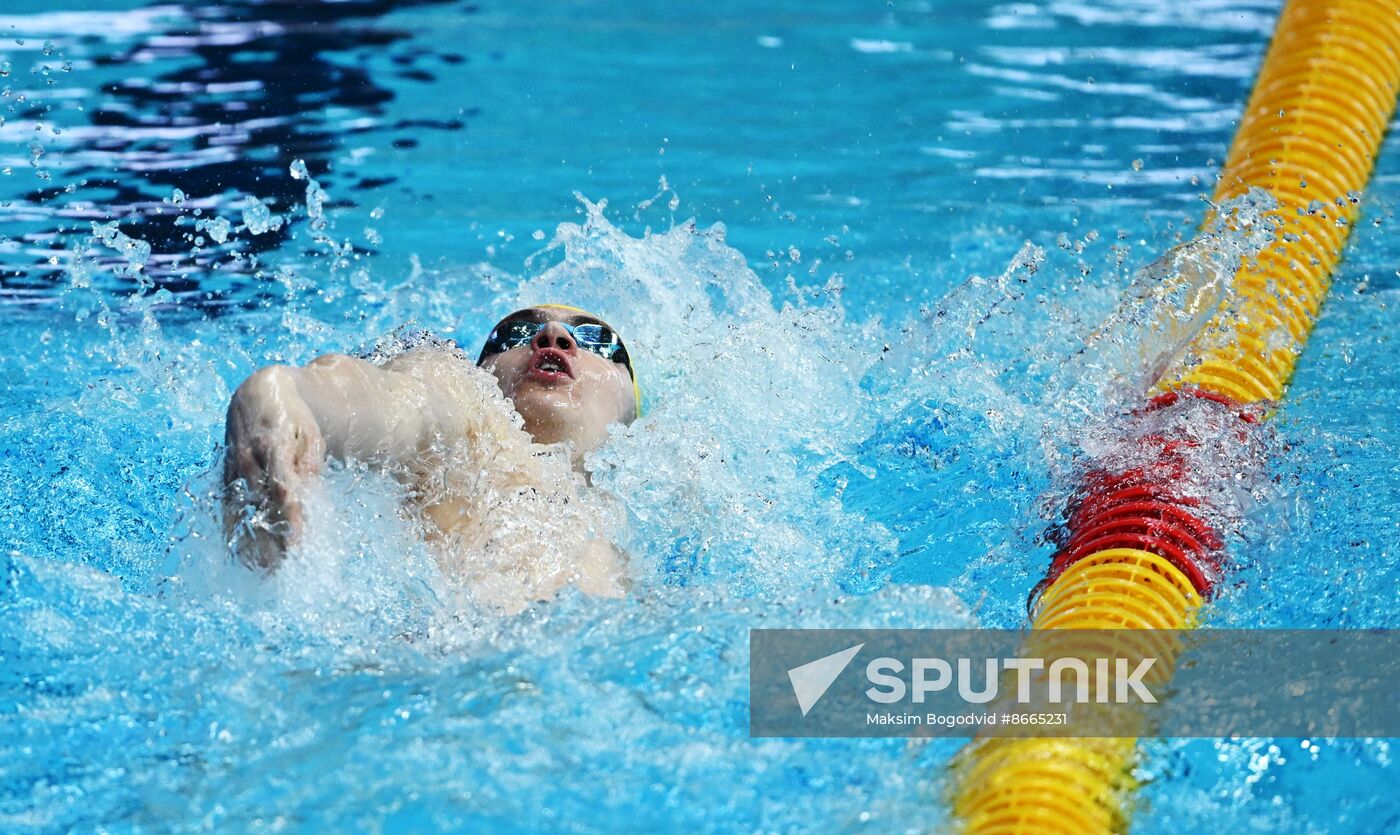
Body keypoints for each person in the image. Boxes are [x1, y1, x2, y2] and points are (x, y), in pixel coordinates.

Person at [221, 305, 640, 612]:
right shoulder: (470, 426)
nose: (551, 334)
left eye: (597, 340)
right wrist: (285, 396)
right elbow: (401, 405)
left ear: (634, 416)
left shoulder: (656, 509)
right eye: (512, 333)